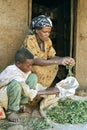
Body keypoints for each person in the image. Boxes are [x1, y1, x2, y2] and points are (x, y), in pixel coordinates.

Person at [22, 15, 75, 88]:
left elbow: (51, 56)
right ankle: (33, 89)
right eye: (44, 32)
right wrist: (57, 61)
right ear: (37, 30)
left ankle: (42, 88)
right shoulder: (30, 40)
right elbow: (33, 60)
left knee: (54, 66)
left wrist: (66, 59)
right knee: (37, 67)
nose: (47, 34)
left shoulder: (47, 41)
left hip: (39, 69)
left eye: (49, 32)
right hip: (28, 71)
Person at [0, 48, 39, 122]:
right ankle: (11, 111)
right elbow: (26, 90)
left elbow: (26, 87)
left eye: (31, 65)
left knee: (33, 77)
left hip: (17, 92)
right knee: (16, 85)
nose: (30, 68)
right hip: (4, 95)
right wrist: (44, 92)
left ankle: (21, 104)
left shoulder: (24, 69)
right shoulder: (11, 71)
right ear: (18, 64)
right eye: (28, 66)